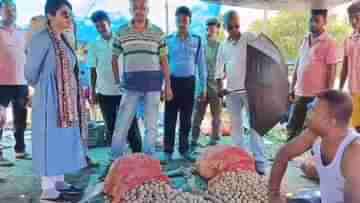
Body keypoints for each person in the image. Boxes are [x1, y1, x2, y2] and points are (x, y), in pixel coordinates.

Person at [25, 0, 87, 200]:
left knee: (61, 139)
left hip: (65, 100)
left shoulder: (63, 40)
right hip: (49, 99)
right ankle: (48, 189)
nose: (69, 18)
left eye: (70, 14)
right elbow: (30, 73)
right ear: (50, 16)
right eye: (64, 13)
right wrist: (46, 87)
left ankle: (59, 182)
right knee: (49, 141)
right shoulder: (42, 39)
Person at [269, 90, 360, 203]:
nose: (308, 111)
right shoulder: (314, 134)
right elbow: (283, 154)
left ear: (330, 122)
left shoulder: (354, 153)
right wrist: (274, 194)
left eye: (313, 110)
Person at [111, 0, 173, 159]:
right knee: (122, 125)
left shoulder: (158, 33)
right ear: (130, 10)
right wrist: (118, 82)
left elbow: (164, 60)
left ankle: (148, 161)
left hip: (153, 86)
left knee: (151, 126)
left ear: (147, 10)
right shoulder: (121, 32)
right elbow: (114, 58)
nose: (139, 11)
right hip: (130, 86)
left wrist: (168, 86)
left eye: (142, 8)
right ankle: (114, 160)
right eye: (135, 8)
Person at [215, 10, 266, 175]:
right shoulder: (223, 45)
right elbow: (218, 68)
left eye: (237, 25)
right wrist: (219, 87)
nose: (234, 30)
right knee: (236, 127)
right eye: (230, 27)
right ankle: (240, 160)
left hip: (250, 91)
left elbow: (262, 56)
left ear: (239, 24)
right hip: (231, 92)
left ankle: (259, 162)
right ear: (225, 27)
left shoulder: (249, 37)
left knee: (255, 126)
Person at [88, 10, 142, 152]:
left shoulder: (121, 41)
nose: (100, 29)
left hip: (124, 91)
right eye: (97, 27)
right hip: (104, 92)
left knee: (131, 124)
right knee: (111, 127)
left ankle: (138, 154)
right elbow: (93, 69)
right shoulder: (93, 45)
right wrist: (92, 91)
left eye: (103, 25)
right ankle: (117, 158)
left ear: (109, 23)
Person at [164, 6, 207, 161]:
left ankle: (184, 149)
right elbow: (163, 65)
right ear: (175, 21)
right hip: (172, 83)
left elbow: (201, 65)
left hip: (190, 83)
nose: (181, 23)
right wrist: (165, 86)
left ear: (189, 21)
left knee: (186, 119)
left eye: (184, 20)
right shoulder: (167, 40)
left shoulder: (197, 39)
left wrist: (204, 87)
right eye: (179, 20)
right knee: (169, 118)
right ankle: (167, 149)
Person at [287, 7, 337, 141]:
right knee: (292, 128)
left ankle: (311, 160)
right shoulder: (304, 40)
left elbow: (332, 69)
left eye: (316, 20)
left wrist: (329, 94)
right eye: (310, 20)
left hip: (316, 96)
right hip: (299, 93)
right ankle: (288, 156)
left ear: (324, 22)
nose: (312, 23)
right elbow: (298, 64)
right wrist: (292, 88)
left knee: (312, 132)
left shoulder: (329, 42)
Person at [0, 0, 31, 167]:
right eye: (7, 9)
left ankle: (20, 150)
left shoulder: (23, 32)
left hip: (21, 82)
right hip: (1, 83)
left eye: (13, 9)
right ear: (1, 12)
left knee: (20, 118)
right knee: (0, 119)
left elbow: (28, 55)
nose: (11, 12)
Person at [191, 17, 222, 148]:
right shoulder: (200, 44)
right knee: (198, 114)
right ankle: (193, 139)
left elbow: (224, 66)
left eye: (213, 25)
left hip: (215, 85)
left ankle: (214, 140)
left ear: (218, 28)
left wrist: (221, 86)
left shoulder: (221, 46)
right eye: (208, 26)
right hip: (201, 85)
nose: (210, 28)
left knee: (216, 115)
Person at [340, 1, 360, 132]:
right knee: (357, 126)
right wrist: (340, 88)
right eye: (351, 17)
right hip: (353, 90)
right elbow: (345, 66)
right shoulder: (348, 39)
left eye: (357, 16)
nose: (354, 20)